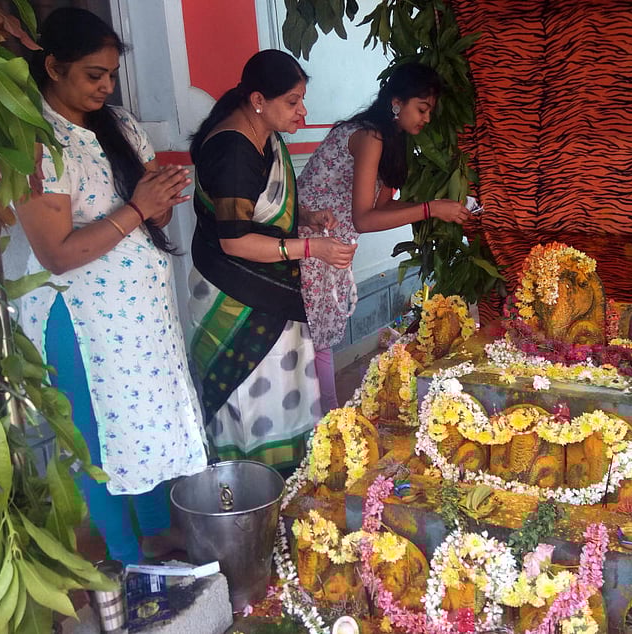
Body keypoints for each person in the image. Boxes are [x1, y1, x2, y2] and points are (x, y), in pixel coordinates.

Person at [17, 8, 207, 564]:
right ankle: (126, 557)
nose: (106, 86)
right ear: (52, 66)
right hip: (79, 320)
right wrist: (137, 208)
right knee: (98, 436)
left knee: (146, 417)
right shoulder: (37, 141)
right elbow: (56, 253)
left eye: (111, 75)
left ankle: (156, 532)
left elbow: (151, 219)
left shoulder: (118, 124)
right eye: (93, 74)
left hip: (139, 317)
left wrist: (160, 203)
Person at [187, 49, 356, 470]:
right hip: (234, 296)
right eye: (293, 102)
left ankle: (287, 486)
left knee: (285, 395)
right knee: (251, 398)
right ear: (258, 100)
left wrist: (307, 217)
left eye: (302, 100)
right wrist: (312, 248)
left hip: (269, 290)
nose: (303, 111)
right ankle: (250, 491)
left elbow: (262, 207)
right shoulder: (233, 149)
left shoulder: (266, 136)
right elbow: (235, 240)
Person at [297, 62, 470, 413]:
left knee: (319, 344)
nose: (425, 119)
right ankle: (330, 427)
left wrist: (438, 206)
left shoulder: (389, 141)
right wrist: (431, 209)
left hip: (331, 250)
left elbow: (382, 208)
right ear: (396, 102)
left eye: (429, 112)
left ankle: (328, 427)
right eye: (421, 109)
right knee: (317, 346)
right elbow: (364, 219)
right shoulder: (370, 136)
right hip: (311, 244)